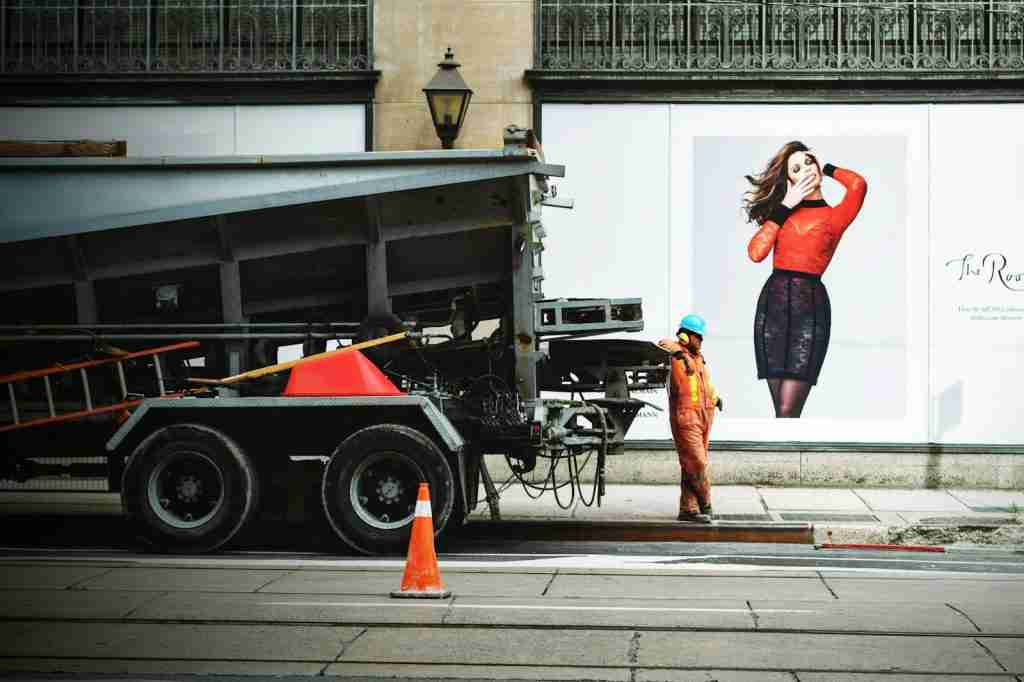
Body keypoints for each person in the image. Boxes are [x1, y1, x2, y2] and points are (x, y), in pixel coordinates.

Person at [744, 142, 867, 418]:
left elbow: (858, 184)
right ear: (790, 180)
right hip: (771, 309)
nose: (806, 170)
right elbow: (756, 253)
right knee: (780, 412)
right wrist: (786, 204)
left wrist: (826, 167)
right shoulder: (782, 213)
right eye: (796, 169)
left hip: (809, 311)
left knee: (788, 410)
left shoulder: (835, 216)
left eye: (808, 162)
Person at [658, 314, 723, 523]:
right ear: (687, 336)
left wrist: (715, 398)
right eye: (699, 337)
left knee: (690, 464)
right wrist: (678, 349)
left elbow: (704, 385)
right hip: (686, 417)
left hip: (704, 415)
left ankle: (688, 509)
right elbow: (662, 345)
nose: (701, 341)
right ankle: (706, 504)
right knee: (697, 463)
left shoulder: (698, 358)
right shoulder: (674, 353)